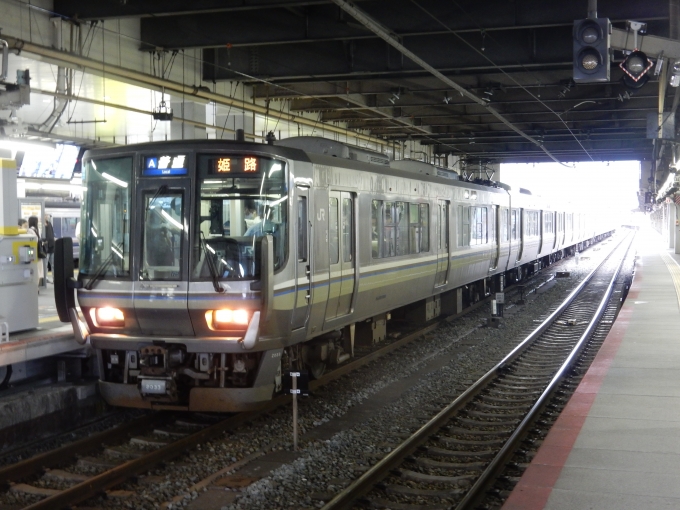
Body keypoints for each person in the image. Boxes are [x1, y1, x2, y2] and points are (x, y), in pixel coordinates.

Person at [28, 216, 44, 287]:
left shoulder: (30, 230)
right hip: (38, 253)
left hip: (34, 252)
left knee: (37, 270)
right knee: (39, 270)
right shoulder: (36, 230)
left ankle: (36, 287)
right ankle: (36, 286)